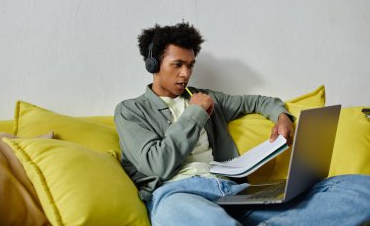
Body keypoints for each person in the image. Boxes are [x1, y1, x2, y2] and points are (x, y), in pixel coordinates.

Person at [114, 22, 370, 226]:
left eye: (190, 65)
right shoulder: (131, 110)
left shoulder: (204, 97)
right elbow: (157, 164)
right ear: (154, 65)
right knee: (190, 218)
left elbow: (258, 102)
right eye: (177, 65)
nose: (186, 74)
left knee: (360, 190)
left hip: (233, 192)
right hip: (179, 194)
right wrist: (194, 114)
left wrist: (282, 117)